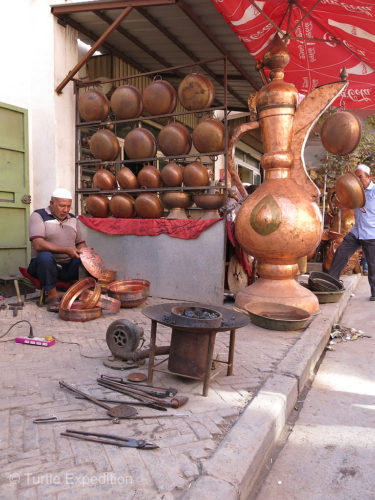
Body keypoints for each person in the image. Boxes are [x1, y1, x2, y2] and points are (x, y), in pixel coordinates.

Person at [27, 188, 87, 311]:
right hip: (43, 266)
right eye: (62, 206)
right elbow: (38, 244)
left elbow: (80, 243)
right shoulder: (38, 215)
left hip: (66, 267)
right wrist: (67, 250)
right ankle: (52, 296)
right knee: (45, 256)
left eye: (68, 206)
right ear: (51, 204)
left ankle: (84, 293)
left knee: (85, 259)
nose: (66, 210)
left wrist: (87, 254)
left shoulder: (73, 219)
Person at [328, 164, 375, 300]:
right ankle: (330, 284)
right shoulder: (354, 191)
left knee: (372, 265)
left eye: (360, 177)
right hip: (356, 231)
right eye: (356, 177)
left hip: (372, 234)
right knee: (340, 254)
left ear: (369, 177)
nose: (358, 180)